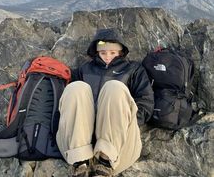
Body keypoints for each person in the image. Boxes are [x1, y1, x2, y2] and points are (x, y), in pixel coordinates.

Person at [56, 28, 154, 177]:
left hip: (118, 145)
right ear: (96, 52)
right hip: (80, 143)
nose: (107, 57)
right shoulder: (84, 69)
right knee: (76, 88)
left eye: (112, 53)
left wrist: (125, 122)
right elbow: (72, 105)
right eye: (103, 53)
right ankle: (80, 162)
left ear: (120, 52)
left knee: (114, 87)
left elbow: (146, 103)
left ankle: (105, 162)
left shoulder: (133, 69)